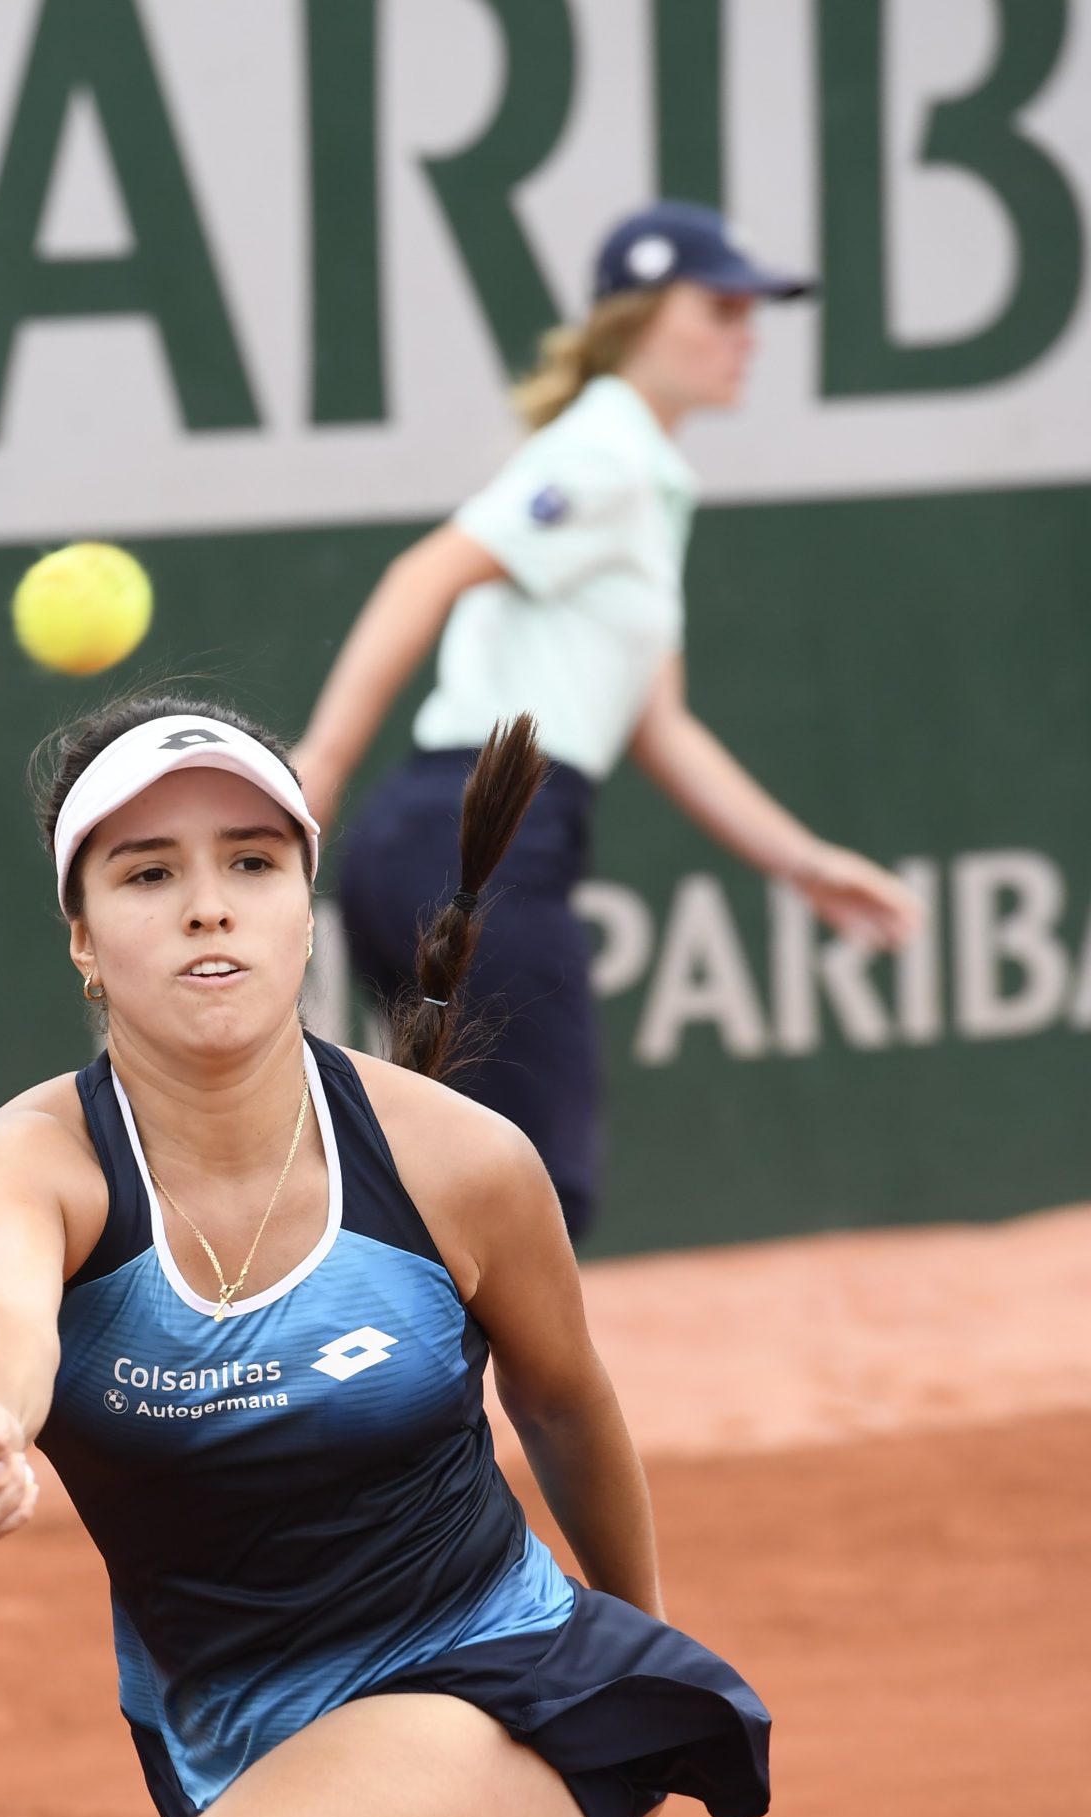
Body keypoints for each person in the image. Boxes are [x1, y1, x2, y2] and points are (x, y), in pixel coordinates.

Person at [0, 691, 770, 1817]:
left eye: (251, 863)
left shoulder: (459, 1162)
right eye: (148, 874)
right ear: (83, 940)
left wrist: (638, 1703)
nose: (208, 902)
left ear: (302, 911)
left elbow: (567, 1403)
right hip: (231, 1756)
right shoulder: (20, 1166)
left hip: (497, 1696)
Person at [293, 201, 922, 1240]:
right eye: (719, 307)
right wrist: (323, 756)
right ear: (637, 320)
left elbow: (660, 722)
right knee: (522, 1207)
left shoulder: (644, 472)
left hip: (460, 844)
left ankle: (389, 1400)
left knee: (462, 1204)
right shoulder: (608, 455)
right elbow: (428, 570)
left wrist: (804, 862)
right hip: (475, 843)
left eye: (750, 310)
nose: (746, 332)